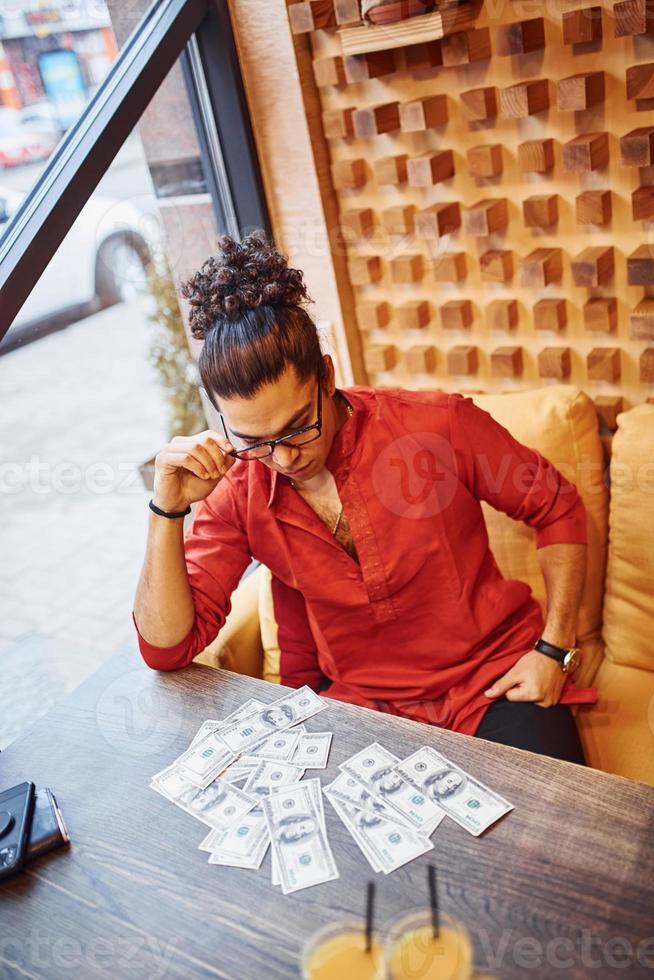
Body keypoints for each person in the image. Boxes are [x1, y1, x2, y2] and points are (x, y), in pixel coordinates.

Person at [133, 230, 596, 765]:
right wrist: (167, 509)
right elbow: (165, 648)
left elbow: (557, 506)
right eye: (254, 441)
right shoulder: (238, 488)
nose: (282, 459)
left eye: (295, 429)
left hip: (492, 682)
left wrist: (554, 650)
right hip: (364, 710)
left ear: (326, 377)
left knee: (559, 842)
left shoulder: (438, 426)